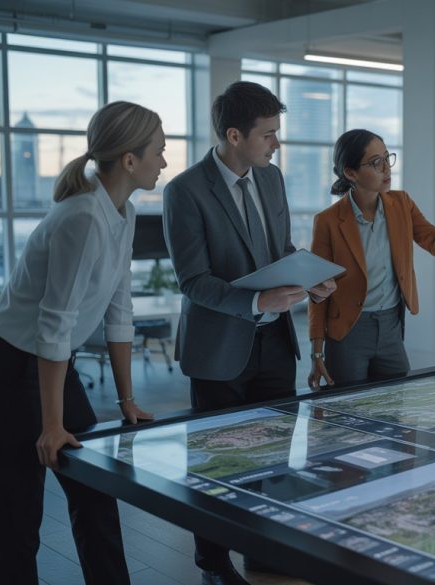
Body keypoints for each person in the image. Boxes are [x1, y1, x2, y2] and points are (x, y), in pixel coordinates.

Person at [0, 101, 161, 585]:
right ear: (130, 160)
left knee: (96, 490)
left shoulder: (124, 212)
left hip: (54, 362)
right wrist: (52, 427)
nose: (164, 161)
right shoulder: (82, 218)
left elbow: (119, 310)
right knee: (18, 510)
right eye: (158, 151)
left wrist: (127, 400)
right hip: (8, 366)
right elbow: (54, 325)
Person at [162, 81, 334, 585]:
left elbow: (280, 248)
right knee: (219, 462)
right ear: (234, 135)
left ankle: (265, 552)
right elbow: (192, 281)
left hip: (275, 341)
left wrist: (310, 277)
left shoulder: (271, 178)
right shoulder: (184, 191)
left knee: (273, 453)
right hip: (219, 348)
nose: (276, 144)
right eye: (268, 135)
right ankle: (213, 563)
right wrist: (257, 301)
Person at [307, 129, 435, 388]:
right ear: (351, 173)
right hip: (348, 332)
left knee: (396, 404)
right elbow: (317, 293)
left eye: (387, 158)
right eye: (376, 162)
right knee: (349, 408)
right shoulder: (327, 221)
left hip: (391, 327)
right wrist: (317, 353)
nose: (387, 168)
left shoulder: (401, 204)